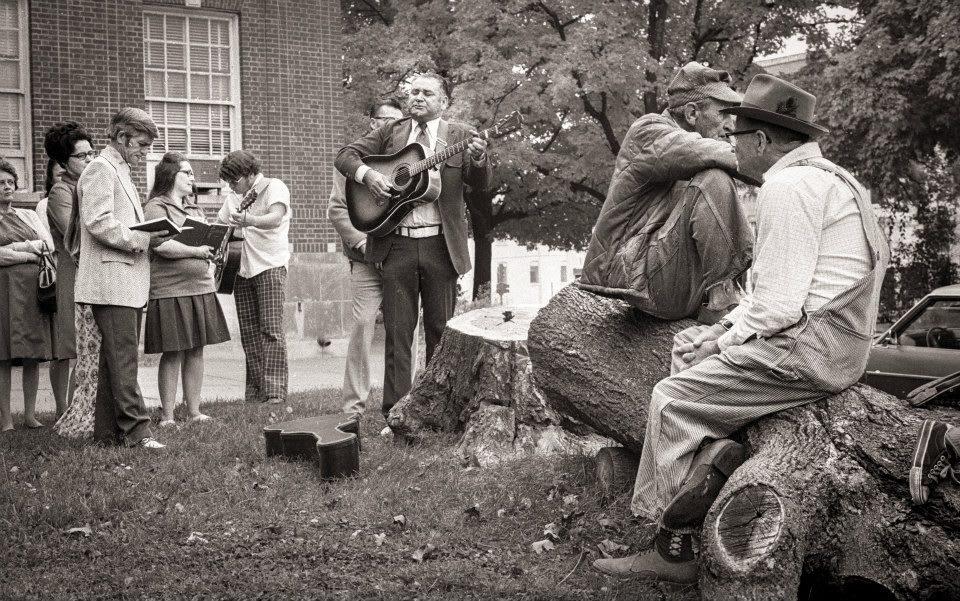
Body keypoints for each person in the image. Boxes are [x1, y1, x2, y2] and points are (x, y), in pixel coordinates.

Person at [592, 74, 889, 582]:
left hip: (811, 349)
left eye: (734, 138)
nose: (730, 149)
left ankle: (670, 547)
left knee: (670, 397)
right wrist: (721, 331)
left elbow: (777, 309)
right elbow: (784, 297)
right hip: (836, 342)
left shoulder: (788, 186)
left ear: (761, 140)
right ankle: (713, 459)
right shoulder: (832, 178)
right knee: (690, 353)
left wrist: (724, 334)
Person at [335, 73, 491, 424]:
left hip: (441, 246)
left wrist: (479, 161)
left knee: (440, 334)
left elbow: (479, 188)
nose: (417, 97)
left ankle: (437, 415)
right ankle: (395, 415)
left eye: (427, 93)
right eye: (413, 92)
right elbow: (345, 156)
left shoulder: (462, 136)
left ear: (444, 102)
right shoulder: (391, 132)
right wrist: (369, 176)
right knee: (397, 335)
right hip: (397, 245)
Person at [577, 62, 754, 324]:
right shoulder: (649, 131)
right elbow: (709, 153)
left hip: (670, 275)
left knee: (716, 177)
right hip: (642, 276)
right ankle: (722, 305)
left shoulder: (693, 146)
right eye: (723, 115)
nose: (731, 126)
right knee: (714, 179)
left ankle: (723, 300)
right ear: (692, 113)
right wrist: (784, 167)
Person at [75, 107, 171, 449]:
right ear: (120, 137)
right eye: (141, 144)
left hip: (121, 282)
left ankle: (106, 434)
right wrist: (142, 239)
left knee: (111, 361)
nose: (145, 152)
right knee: (124, 360)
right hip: (111, 281)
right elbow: (98, 222)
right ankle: (137, 432)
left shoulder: (119, 169)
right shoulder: (101, 169)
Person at [328, 98, 420, 417]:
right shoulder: (354, 161)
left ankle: (409, 404)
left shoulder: (406, 160)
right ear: (371, 122)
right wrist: (364, 246)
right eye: (384, 119)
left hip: (400, 257)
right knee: (362, 325)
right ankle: (353, 407)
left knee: (405, 330)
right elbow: (337, 210)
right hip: (366, 260)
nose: (390, 126)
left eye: (398, 121)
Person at [145, 153, 231, 426]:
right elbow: (160, 246)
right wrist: (196, 250)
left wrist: (213, 253)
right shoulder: (156, 207)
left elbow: (205, 244)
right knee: (173, 350)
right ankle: (168, 416)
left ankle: (194, 412)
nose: (193, 178)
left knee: (196, 349)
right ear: (170, 176)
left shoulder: (194, 209)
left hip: (200, 286)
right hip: (170, 288)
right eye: (187, 173)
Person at [217, 150, 291, 406]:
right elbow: (220, 230)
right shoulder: (232, 198)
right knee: (249, 334)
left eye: (233, 181)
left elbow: (275, 218)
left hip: (269, 266)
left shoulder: (274, 187)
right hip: (240, 269)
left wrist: (249, 220)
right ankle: (256, 392)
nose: (230, 186)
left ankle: (275, 393)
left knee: (271, 330)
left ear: (248, 174)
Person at [43, 122, 96, 415]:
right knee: (69, 347)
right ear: (64, 162)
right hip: (73, 275)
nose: (89, 160)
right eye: (82, 156)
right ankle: (65, 409)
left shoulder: (91, 183)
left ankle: (84, 407)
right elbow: (75, 234)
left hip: (93, 272)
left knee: (88, 346)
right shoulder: (61, 192)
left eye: (92, 153)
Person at [0, 160, 54, 432]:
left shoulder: (28, 215)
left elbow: (48, 245)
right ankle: (6, 419)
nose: (7, 187)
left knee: (32, 351)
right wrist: (28, 248)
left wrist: (15, 249)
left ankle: (30, 415)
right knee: (3, 355)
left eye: (10, 182)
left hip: (34, 292)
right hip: (4, 293)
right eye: (1, 183)